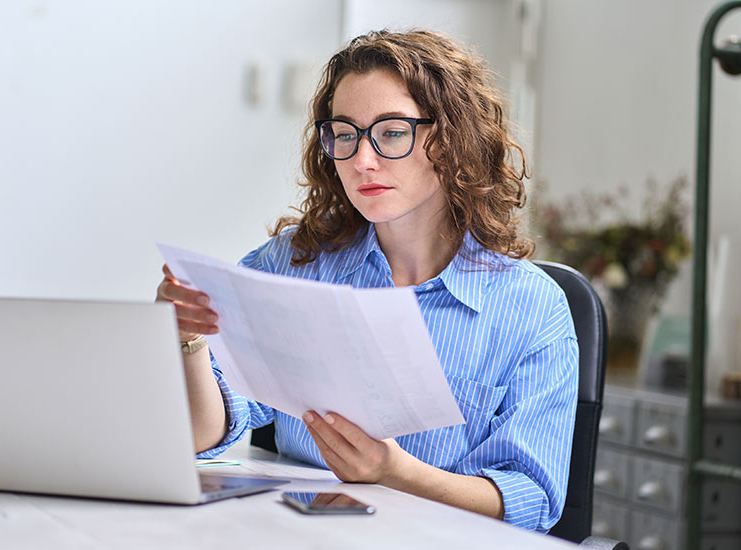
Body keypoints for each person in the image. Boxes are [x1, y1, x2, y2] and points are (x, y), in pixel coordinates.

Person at [156, 29, 578, 533]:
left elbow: (532, 499)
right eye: (345, 133)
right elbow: (208, 435)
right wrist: (189, 341)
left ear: (450, 140)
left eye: (392, 132)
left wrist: (396, 474)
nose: (362, 160)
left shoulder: (532, 306)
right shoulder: (293, 263)